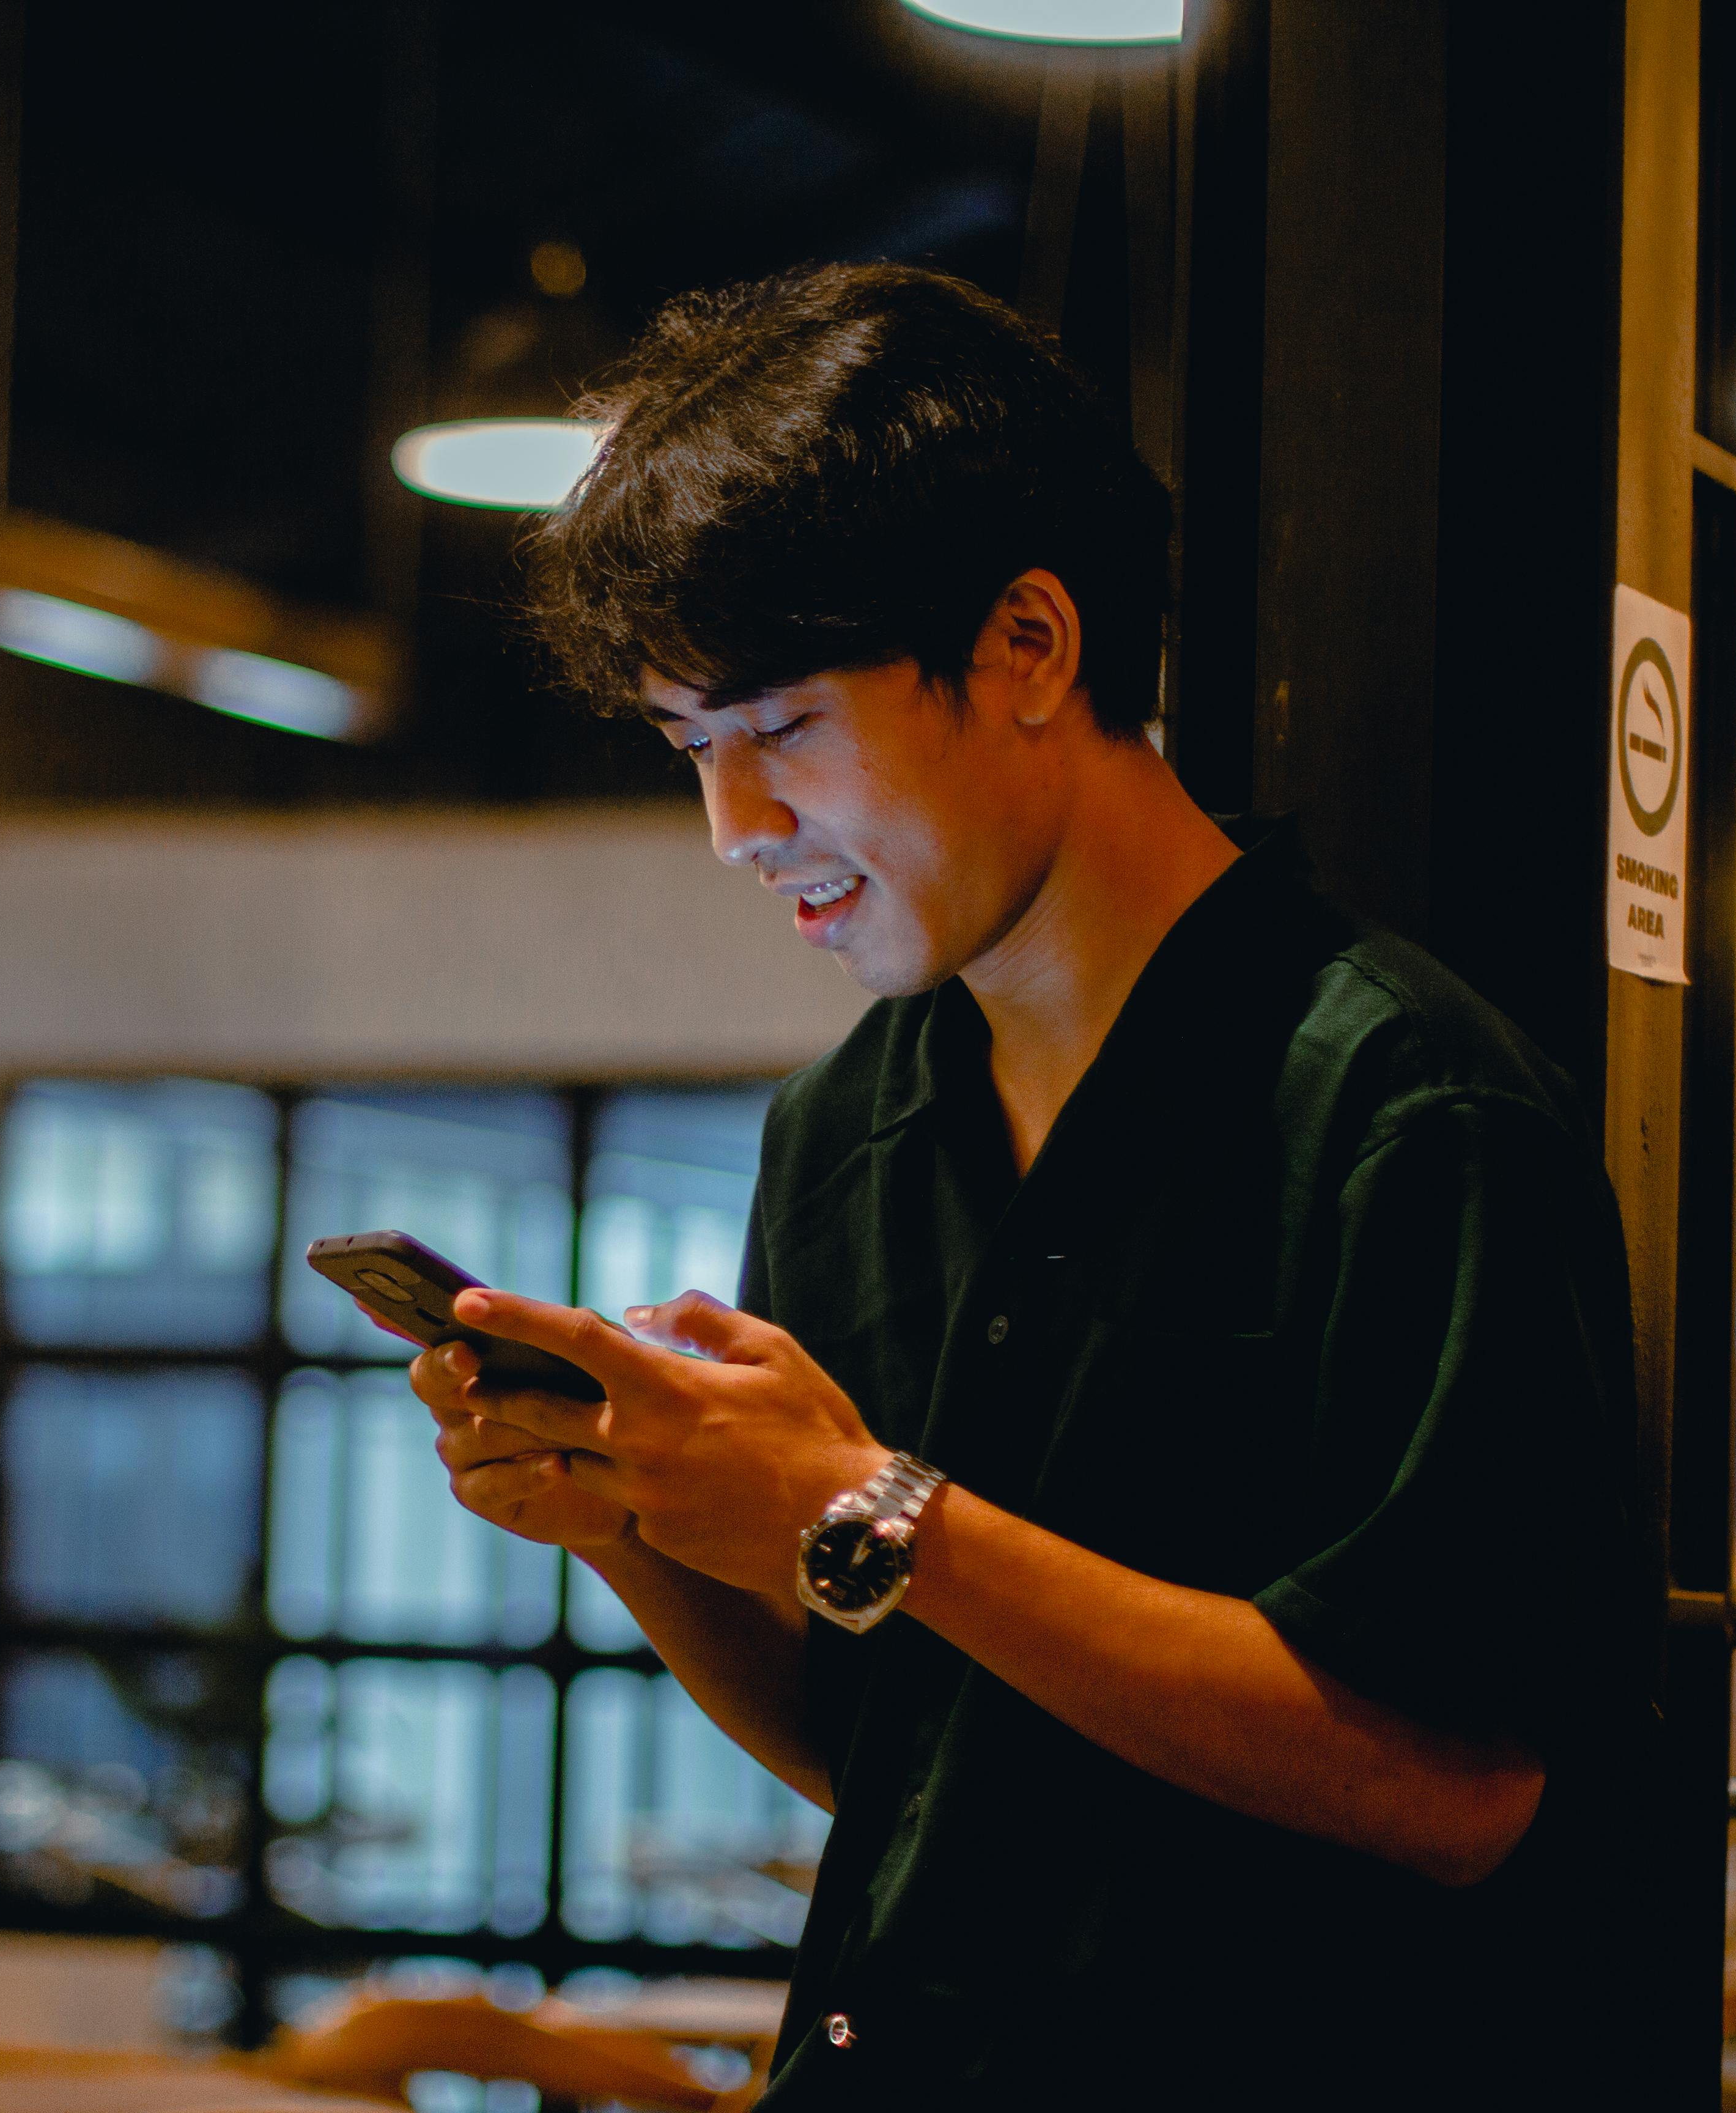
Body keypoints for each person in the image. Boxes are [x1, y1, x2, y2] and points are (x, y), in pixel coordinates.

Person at [377, 265, 1657, 2107]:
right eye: (690, 751)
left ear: (1031, 647)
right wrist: (630, 1523)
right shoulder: (844, 1130)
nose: (737, 829)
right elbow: (906, 1756)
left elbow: (1456, 1791)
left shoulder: (1404, 1104)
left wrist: (878, 1510)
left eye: (781, 728)